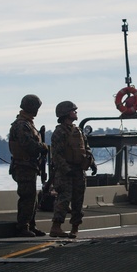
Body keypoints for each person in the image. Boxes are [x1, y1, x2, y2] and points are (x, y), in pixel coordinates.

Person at [50, 101, 97, 237]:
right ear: (65, 113)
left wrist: (91, 163)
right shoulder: (59, 132)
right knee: (64, 199)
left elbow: (86, 149)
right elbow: (56, 155)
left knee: (78, 201)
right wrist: (66, 169)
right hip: (66, 173)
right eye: (73, 110)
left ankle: (74, 228)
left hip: (79, 171)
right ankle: (56, 227)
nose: (76, 112)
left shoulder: (78, 131)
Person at [8, 94, 48, 237]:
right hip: (23, 166)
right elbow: (29, 145)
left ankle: (31, 225)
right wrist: (43, 146)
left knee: (33, 198)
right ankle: (22, 226)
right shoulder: (21, 125)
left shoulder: (28, 124)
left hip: (30, 165)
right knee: (27, 197)